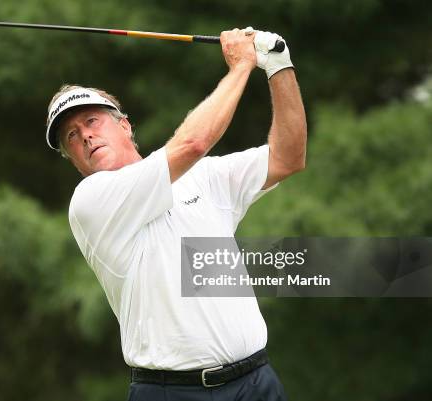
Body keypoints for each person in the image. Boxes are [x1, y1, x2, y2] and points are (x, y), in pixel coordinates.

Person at [45, 27, 306, 401]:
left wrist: (279, 65)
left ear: (124, 125)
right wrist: (242, 66)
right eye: (71, 136)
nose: (84, 136)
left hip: (256, 383)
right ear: (71, 159)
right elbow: (193, 143)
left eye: (91, 121)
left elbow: (288, 157)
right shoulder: (91, 201)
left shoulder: (204, 177)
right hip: (171, 393)